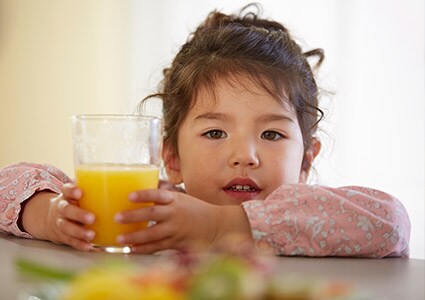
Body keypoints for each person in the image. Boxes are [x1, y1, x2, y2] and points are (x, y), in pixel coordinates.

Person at [0, 4, 410, 257]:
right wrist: (53, 215)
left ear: (306, 160)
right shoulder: (149, 215)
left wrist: (220, 227)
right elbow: (6, 183)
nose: (245, 154)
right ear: (172, 159)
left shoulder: (315, 221)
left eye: (272, 134)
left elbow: (390, 222)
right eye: (215, 133)